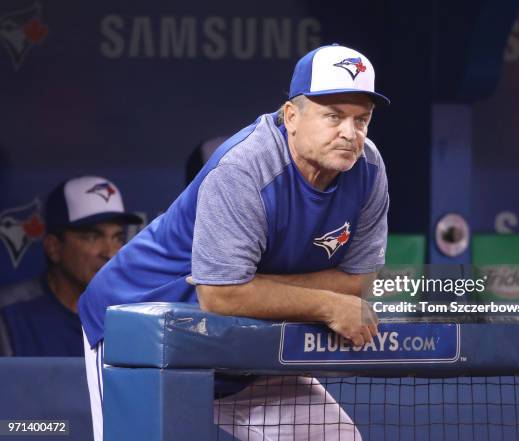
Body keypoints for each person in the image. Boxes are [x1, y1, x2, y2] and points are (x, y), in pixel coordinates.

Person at [78, 43, 390, 441]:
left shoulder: (368, 168)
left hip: (239, 342)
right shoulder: (245, 167)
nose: (350, 133)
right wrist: (328, 303)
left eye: (362, 119)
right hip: (142, 330)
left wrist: (256, 289)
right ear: (291, 116)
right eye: (334, 116)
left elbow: (358, 281)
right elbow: (220, 297)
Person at [0, 176, 142, 356]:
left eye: (117, 238)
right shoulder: (9, 313)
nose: (110, 252)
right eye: (92, 237)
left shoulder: (133, 315)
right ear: (54, 247)